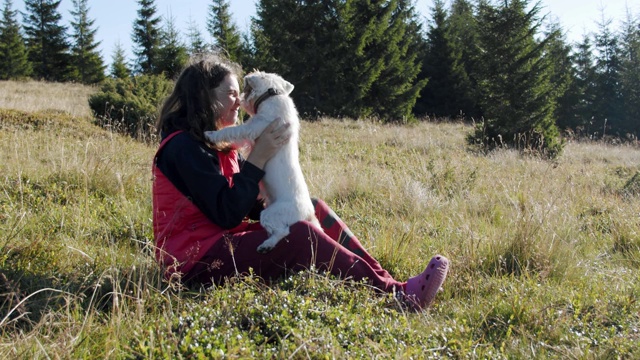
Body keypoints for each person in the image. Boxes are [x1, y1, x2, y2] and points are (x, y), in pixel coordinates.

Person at [152, 54, 450, 309]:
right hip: (193, 262)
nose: (239, 102)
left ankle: (389, 281)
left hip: (221, 245)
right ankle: (395, 297)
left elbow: (247, 205)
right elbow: (227, 214)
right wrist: (258, 159)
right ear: (204, 95)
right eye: (230, 93)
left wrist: (274, 181)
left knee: (312, 208)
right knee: (301, 235)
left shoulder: (214, 146)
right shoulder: (183, 148)